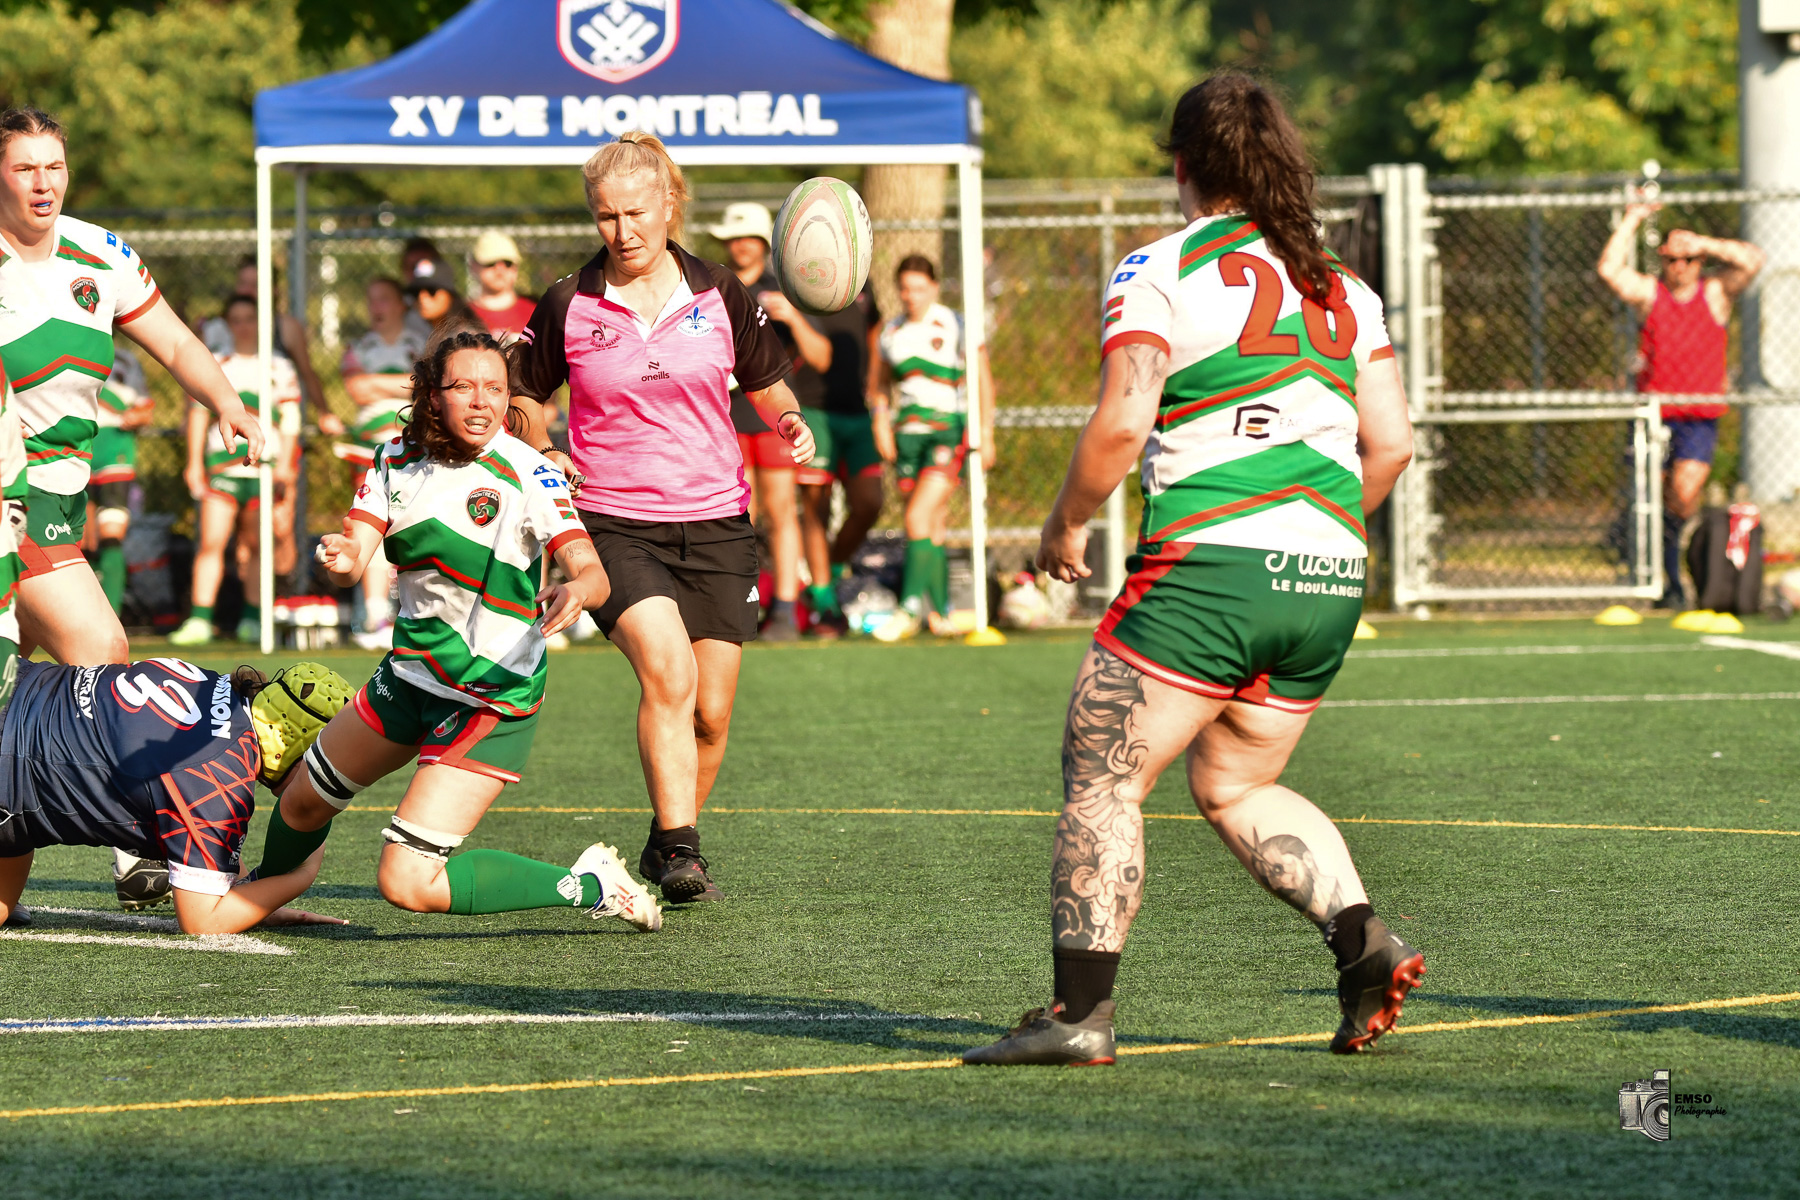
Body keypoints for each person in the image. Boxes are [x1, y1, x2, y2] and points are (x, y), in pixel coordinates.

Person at [964, 74, 1421, 1067]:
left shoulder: (1161, 268)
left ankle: (1080, 1016)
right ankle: (1361, 944)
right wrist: (1317, 541)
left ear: (1182, 164)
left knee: (1103, 775)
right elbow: (1389, 446)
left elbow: (1125, 420)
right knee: (1235, 779)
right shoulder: (1344, 287)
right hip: (1330, 571)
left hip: (1212, 565)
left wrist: (1062, 526)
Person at [259, 329, 659, 932]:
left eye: (494, 388)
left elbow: (592, 572)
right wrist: (344, 556)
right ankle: (268, 896)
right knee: (303, 799)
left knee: (407, 882)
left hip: (491, 698)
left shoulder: (531, 473)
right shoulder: (394, 458)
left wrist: (578, 589)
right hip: (411, 678)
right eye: (463, 387)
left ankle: (590, 884)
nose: (481, 401)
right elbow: (358, 549)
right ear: (432, 396)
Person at [511, 133, 814, 904]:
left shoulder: (719, 292)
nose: (623, 231)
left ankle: (660, 842)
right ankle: (685, 851)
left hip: (716, 523)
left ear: (670, 204)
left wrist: (788, 422)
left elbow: (767, 380)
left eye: (636, 213)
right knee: (669, 674)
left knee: (711, 716)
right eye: (606, 216)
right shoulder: (570, 300)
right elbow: (522, 393)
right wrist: (544, 447)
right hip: (613, 524)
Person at [0, 107, 263, 665]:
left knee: (11, 685)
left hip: (69, 489)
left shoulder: (101, 253)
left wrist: (226, 401)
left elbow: (175, 343)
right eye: (24, 169)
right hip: (14, 497)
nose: (43, 183)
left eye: (55, 166)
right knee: (102, 651)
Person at [0, 656, 355, 935]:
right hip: (10, 775)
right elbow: (201, 920)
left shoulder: (207, 683)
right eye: (324, 763)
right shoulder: (221, 777)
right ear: (291, 743)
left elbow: (205, 841)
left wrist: (253, 901)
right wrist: (301, 874)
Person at [1597, 204, 1764, 608]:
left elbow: (1753, 260)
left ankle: (1676, 569)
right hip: (1654, 415)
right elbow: (1609, 270)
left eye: (1687, 259)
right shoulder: (1651, 295)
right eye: (1671, 259)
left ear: (1699, 262)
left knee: (1683, 495)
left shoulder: (1715, 293)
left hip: (1697, 417)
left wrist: (1702, 241)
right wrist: (1633, 219)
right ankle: (1665, 583)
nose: (1679, 266)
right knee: (1649, 499)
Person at [709, 201, 832, 640]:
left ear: (764, 243)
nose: (739, 246)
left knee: (782, 512)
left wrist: (793, 316)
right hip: (723, 415)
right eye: (731, 238)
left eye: (747, 237)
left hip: (771, 412)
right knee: (737, 513)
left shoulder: (784, 288)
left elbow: (821, 358)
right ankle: (738, 604)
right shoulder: (710, 288)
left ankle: (784, 608)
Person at [869, 255, 997, 640]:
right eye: (905, 288)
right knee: (932, 526)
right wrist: (880, 422)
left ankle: (908, 609)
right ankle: (941, 614)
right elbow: (877, 386)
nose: (911, 296)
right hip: (908, 436)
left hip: (946, 434)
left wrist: (986, 432)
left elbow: (983, 381)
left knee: (916, 519)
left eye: (919, 288)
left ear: (935, 287)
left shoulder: (956, 324)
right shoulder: (890, 333)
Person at [170, 295, 301, 647]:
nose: (243, 325)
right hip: (223, 467)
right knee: (211, 541)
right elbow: (198, 414)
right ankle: (199, 618)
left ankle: (252, 618)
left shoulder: (278, 366)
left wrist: (286, 464)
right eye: (237, 318)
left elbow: (290, 420)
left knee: (258, 545)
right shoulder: (218, 362)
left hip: (263, 468)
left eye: (250, 317)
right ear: (228, 324)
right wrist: (193, 463)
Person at [334, 276, 430, 649]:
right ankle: (375, 616)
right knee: (372, 526)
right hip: (371, 450)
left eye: (385, 299)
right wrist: (405, 384)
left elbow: (428, 388)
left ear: (401, 304)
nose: (377, 307)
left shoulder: (420, 341)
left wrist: (380, 383)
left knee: (416, 525)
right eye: (371, 299)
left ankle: (419, 613)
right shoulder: (359, 345)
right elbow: (357, 389)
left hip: (418, 445)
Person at [795, 282, 885, 636]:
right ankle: (823, 602)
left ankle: (827, 572)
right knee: (816, 507)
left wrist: (876, 390)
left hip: (858, 412)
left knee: (870, 503)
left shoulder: (861, 279)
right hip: (815, 408)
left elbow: (873, 331)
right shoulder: (798, 275)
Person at [199, 253, 330, 416]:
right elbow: (195, 375)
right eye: (243, 283)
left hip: (274, 418)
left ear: (273, 290)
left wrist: (324, 412)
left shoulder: (287, 327)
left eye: (255, 285)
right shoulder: (214, 329)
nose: (247, 291)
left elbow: (307, 373)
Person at [85, 345, 153, 617]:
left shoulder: (125, 359)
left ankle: (109, 616)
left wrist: (135, 416)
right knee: (76, 539)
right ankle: (82, 616)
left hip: (115, 451)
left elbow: (145, 409)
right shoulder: (59, 342)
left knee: (111, 534)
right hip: (73, 445)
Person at [469, 231, 537, 338]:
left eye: (507, 263)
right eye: (491, 263)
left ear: (516, 267)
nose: (499, 270)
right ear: (473, 266)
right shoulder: (462, 315)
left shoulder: (536, 312)